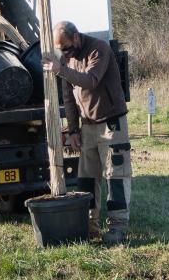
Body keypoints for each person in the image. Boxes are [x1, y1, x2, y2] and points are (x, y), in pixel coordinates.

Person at [43, 21, 132, 245]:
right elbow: (68, 97)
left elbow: (91, 81)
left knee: (116, 176)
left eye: (66, 46)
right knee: (87, 180)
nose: (64, 52)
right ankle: (89, 225)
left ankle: (118, 226)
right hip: (88, 126)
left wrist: (60, 70)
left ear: (76, 37)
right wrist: (73, 129)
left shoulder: (99, 49)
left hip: (111, 124)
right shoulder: (66, 59)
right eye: (60, 49)